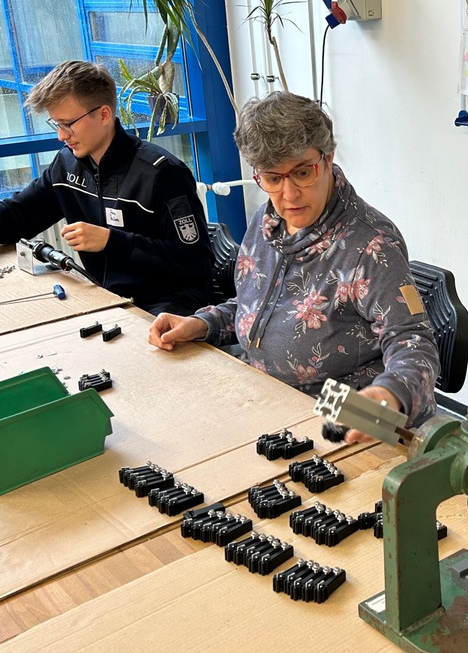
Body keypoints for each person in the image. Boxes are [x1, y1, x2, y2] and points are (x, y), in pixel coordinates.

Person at [148, 92, 438, 441]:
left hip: (340, 410)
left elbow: (413, 340)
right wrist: (201, 323)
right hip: (268, 394)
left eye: (302, 172)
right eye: (272, 178)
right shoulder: (267, 222)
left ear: (328, 159)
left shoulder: (371, 245)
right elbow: (254, 306)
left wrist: (388, 395)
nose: (289, 194)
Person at [0, 60, 214, 315]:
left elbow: (196, 261)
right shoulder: (67, 164)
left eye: (68, 124)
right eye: (56, 124)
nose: (61, 136)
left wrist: (113, 242)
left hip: (171, 305)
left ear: (103, 115)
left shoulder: (163, 173)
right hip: (110, 299)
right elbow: (19, 213)